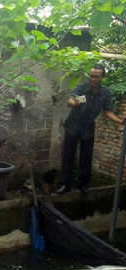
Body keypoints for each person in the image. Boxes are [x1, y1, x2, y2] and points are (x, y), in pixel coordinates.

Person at [56, 64, 123, 195]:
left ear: (102, 77)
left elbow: (108, 112)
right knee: (68, 155)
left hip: (88, 127)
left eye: (96, 76)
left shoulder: (105, 93)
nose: (93, 79)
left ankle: (83, 184)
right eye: (91, 76)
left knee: (86, 157)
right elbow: (69, 101)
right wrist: (73, 103)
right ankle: (65, 184)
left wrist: (120, 121)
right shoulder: (82, 87)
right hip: (73, 126)